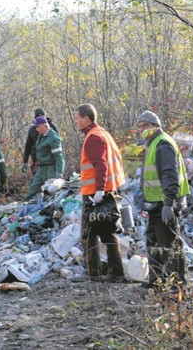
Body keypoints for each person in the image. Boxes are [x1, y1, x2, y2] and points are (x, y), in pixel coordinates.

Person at [136, 110, 190, 292]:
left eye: (145, 126)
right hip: (154, 205)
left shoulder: (163, 144)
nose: (141, 130)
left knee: (170, 246)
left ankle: (178, 285)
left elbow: (170, 176)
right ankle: (156, 279)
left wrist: (168, 204)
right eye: (139, 127)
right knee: (153, 242)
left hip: (164, 205)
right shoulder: (153, 143)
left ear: (155, 126)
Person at [74, 104, 126, 282]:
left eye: (77, 118)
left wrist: (99, 190)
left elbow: (101, 164)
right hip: (108, 191)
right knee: (108, 232)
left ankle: (93, 273)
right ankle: (116, 273)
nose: (76, 122)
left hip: (95, 194)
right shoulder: (103, 133)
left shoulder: (93, 138)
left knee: (88, 234)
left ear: (85, 119)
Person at [23, 116, 64, 201]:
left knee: (51, 194)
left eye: (37, 127)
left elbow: (59, 157)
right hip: (41, 169)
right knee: (32, 190)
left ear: (44, 125)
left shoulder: (53, 138)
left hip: (51, 169)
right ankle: (23, 208)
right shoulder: (41, 136)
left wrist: (59, 173)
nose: (36, 129)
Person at [22, 108, 59, 174]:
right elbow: (28, 146)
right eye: (38, 118)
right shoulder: (32, 130)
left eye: (42, 117)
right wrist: (25, 161)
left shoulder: (52, 128)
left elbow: (58, 145)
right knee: (36, 182)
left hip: (50, 162)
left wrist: (59, 167)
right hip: (36, 162)